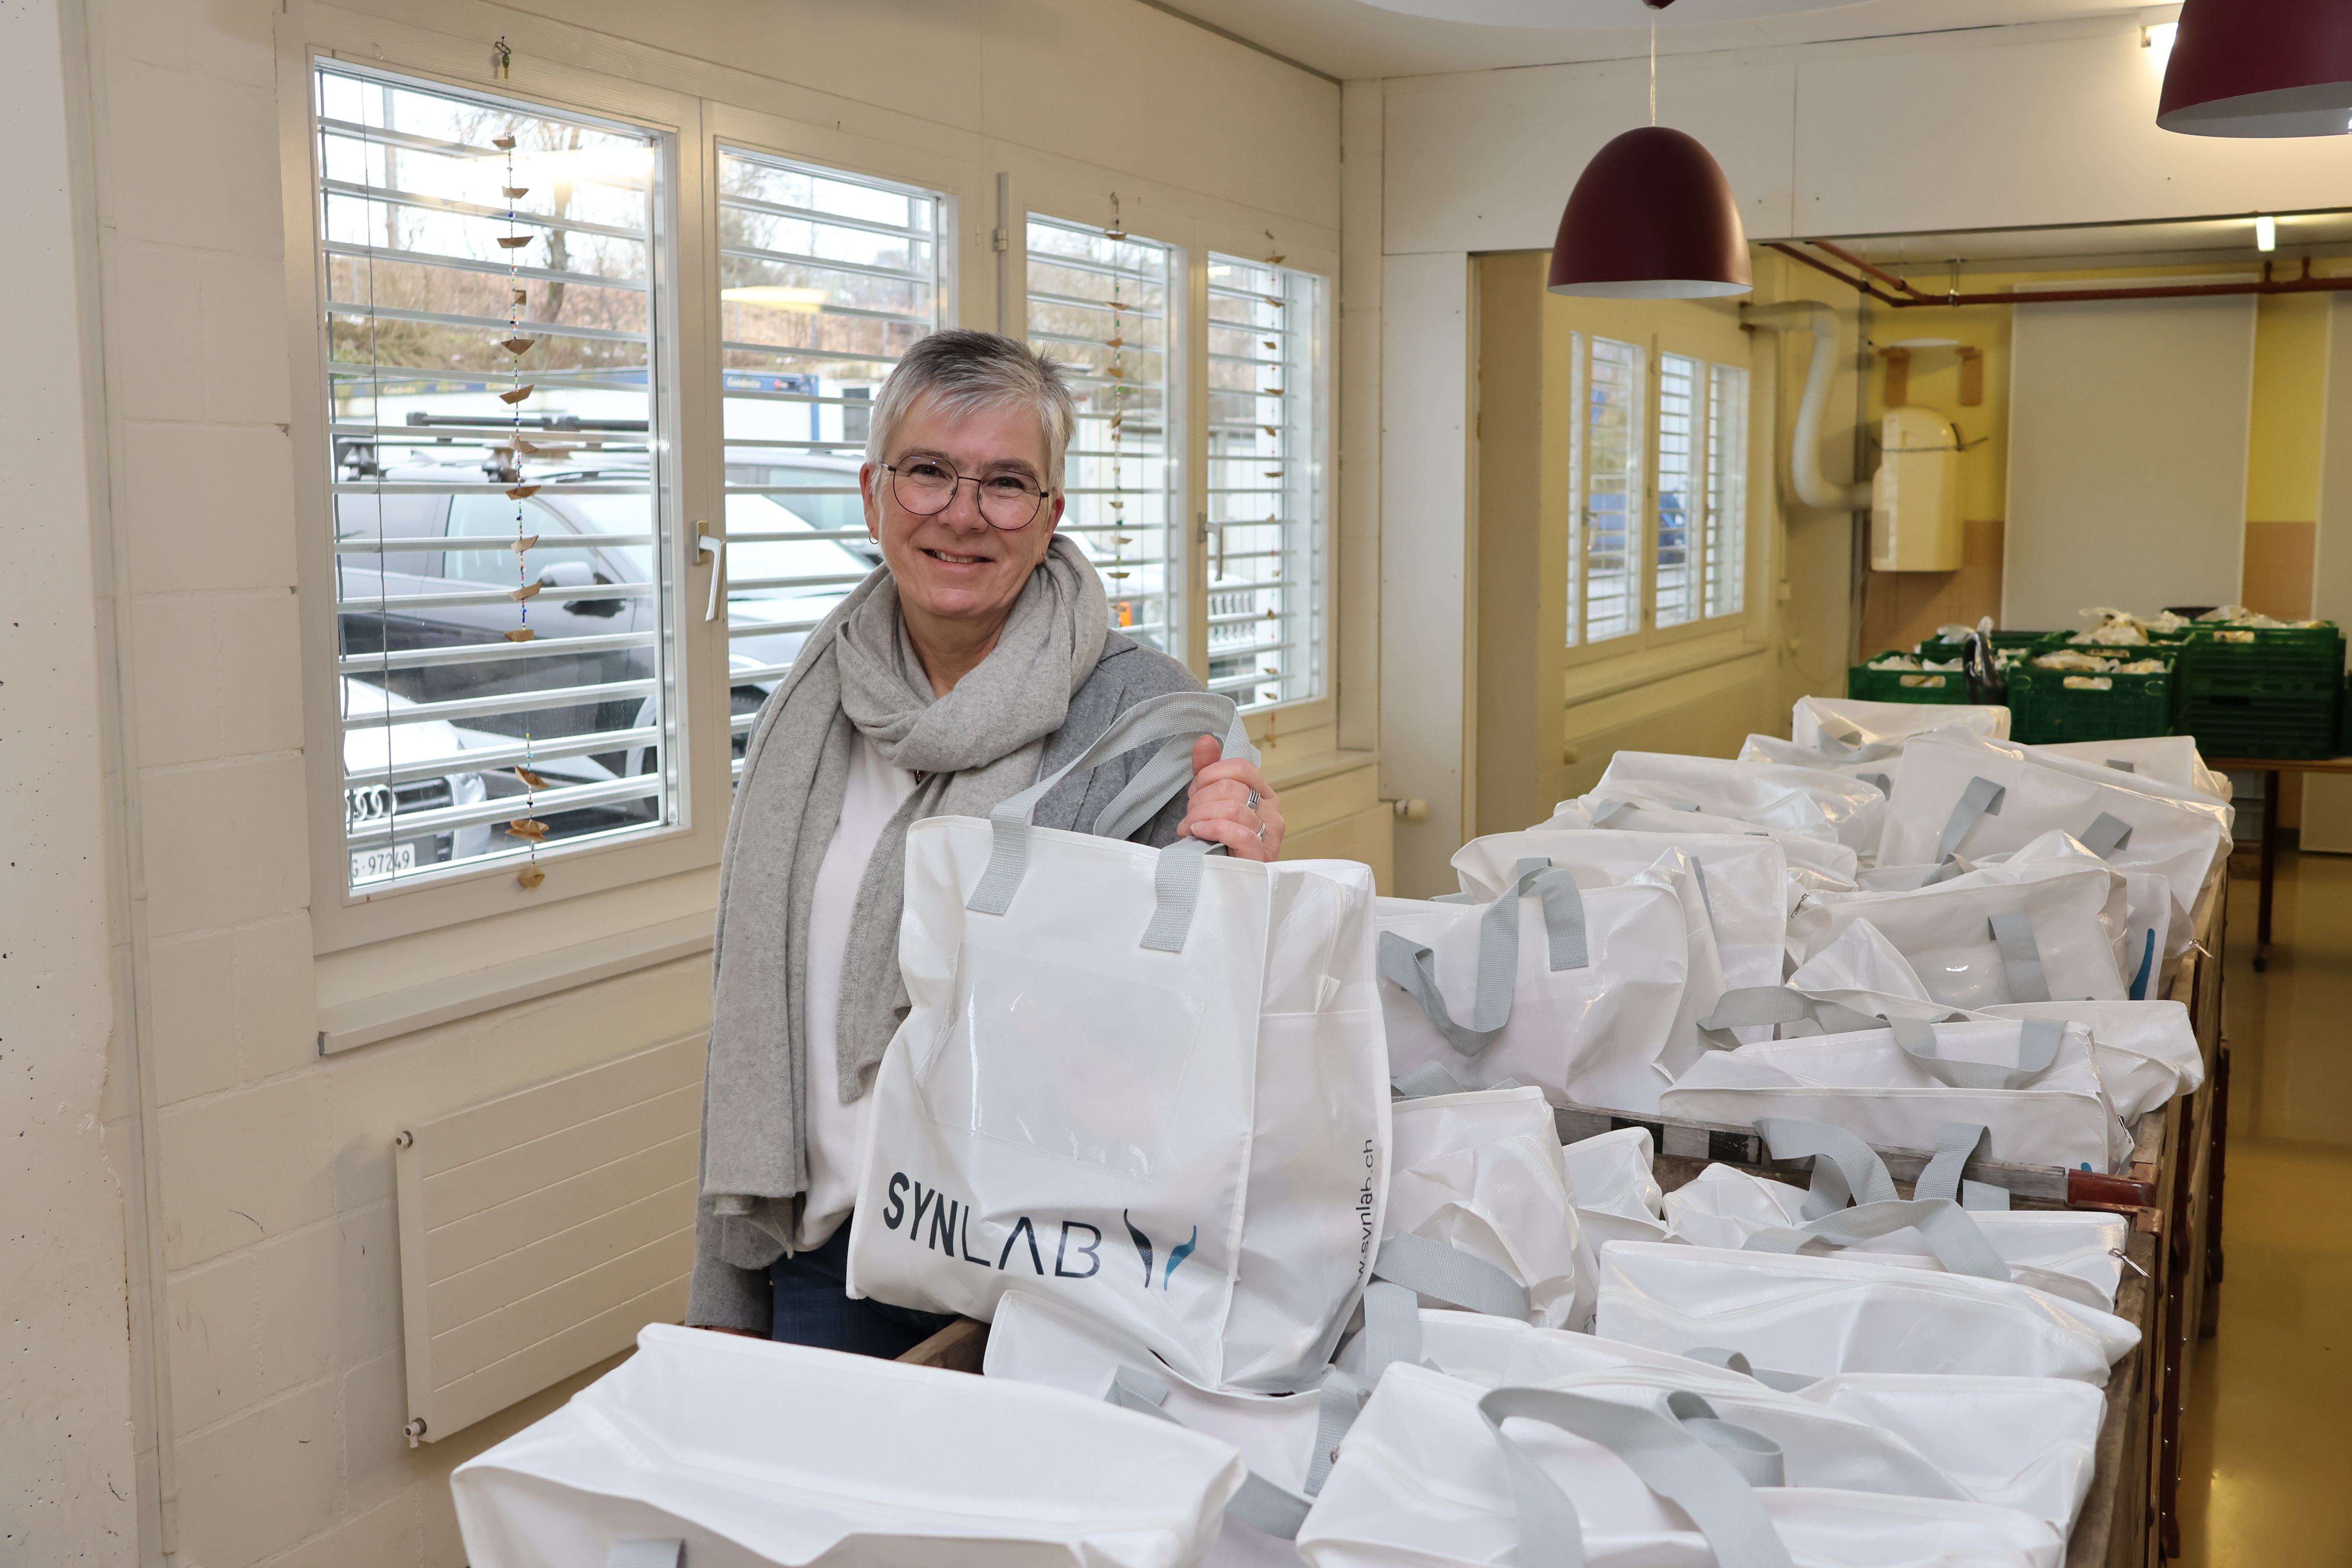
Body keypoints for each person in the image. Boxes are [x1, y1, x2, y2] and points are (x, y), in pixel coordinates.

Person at [688, 329, 1285, 1354]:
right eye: (928, 472)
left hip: (1060, 1261)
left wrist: (1246, 876)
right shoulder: (811, 702)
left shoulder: (1148, 717)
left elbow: (1205, 1012)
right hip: (832, 1249)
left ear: (1050, 516)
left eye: (1007, 483)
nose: (962, 513)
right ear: (875, 490)